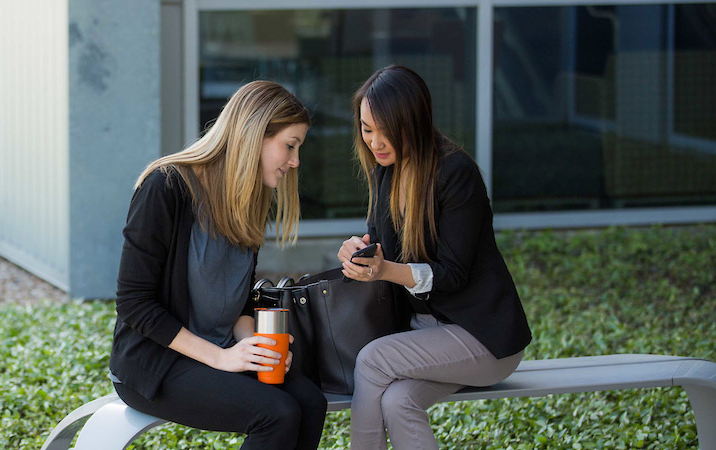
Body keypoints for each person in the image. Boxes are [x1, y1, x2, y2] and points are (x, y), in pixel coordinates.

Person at [109, 80, 327, 449]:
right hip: (157, 362)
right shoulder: (165, 188)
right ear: (254, 134)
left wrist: (255, 346)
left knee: (310, 402)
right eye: (290, 146)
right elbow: (134, 304)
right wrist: (222, 358)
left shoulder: (249, 200)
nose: (296, 161)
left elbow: (239, 306)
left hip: (221, 350)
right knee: (278, 413)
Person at [337, 65, 532, 449]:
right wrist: (359, 253)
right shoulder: (385, 174)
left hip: (482, 337)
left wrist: (386, 269)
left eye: (385, 128)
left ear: (413, 120)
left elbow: (454, 273)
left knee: (372, 360)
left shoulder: (455, 172)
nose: (375, 141)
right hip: (427, 332)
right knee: (398, 400)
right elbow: (381, 249)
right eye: (366, 128)